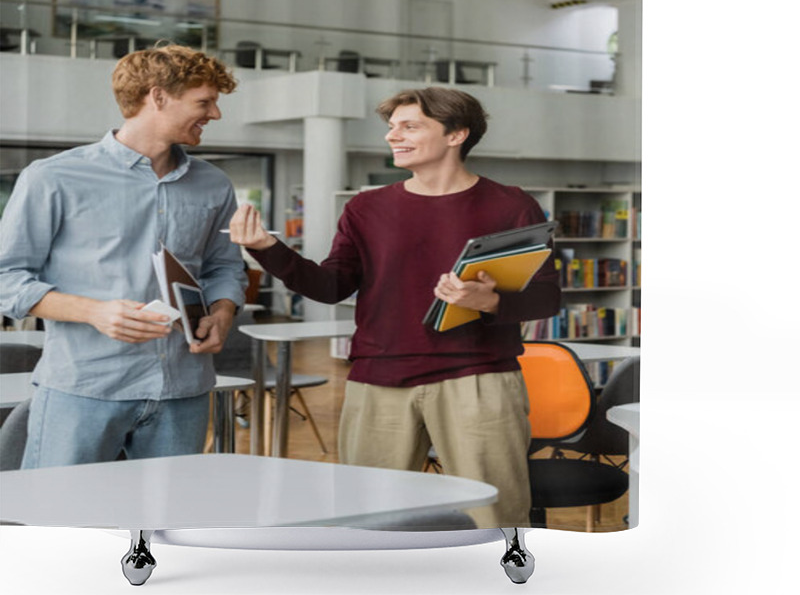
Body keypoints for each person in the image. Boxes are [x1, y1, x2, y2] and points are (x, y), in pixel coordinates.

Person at [228, 87, 560, 528]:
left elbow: (548, 296)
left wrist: (490, 300)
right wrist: (267, 248)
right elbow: (331, 286)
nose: (392, 136)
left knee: (494, 517)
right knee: (368, 517)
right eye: (391, 127)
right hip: (379, 380)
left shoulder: (511, 204)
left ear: (456, 134)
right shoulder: (367, 208)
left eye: (409, 126)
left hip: (479, 378)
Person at [0, 44, 248, 468]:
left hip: (183, 390)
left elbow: (225, 267)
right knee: (60, 523)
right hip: (84, 387)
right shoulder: (53, 177)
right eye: (204, 102)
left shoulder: (214, 184)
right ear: (157, 97)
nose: (215, 114)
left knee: (165, 525)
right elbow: (7, 277)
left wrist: (222, 312)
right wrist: (94, 312)